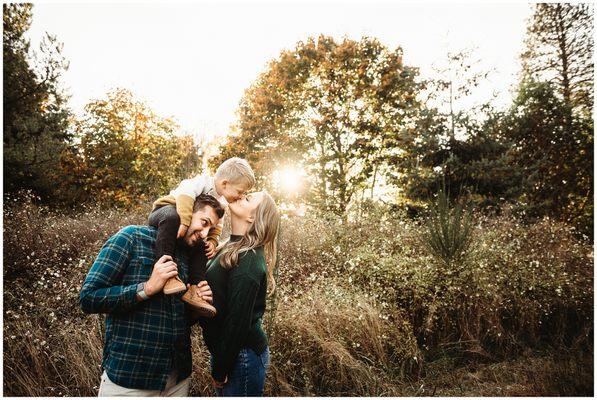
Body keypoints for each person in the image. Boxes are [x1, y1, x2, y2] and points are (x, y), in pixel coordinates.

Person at [80, 195, 224, 397]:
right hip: (130, 381)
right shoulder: (131, 237)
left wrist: (195, 308)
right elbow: (88, 298)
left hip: (177, 381)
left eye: (211, 229)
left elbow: (179, 320)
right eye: (204, 222)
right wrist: (146, 288)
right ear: (187, 212)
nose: (205, 233)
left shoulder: (188, 255)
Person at [149, 157, 255, 316]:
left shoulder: (222, 203)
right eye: (240, 192)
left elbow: (217, 225)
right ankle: (168, 275)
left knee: (202, 245)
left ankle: (195, 289)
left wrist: (212, 240)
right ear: (225, 184)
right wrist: (184, 222)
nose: (240, 197)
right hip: (166, 211)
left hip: (185, 221)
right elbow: (185, 194)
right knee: (172, 217)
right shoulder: (203, 182)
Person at [199, 190, 280, 396]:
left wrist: (221, 367)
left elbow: (238, 321)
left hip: (241, 356)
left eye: (248, 198)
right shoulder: (231, 245)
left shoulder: (248, 259)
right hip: (228, 351)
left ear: (253, 217)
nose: (240, 195)